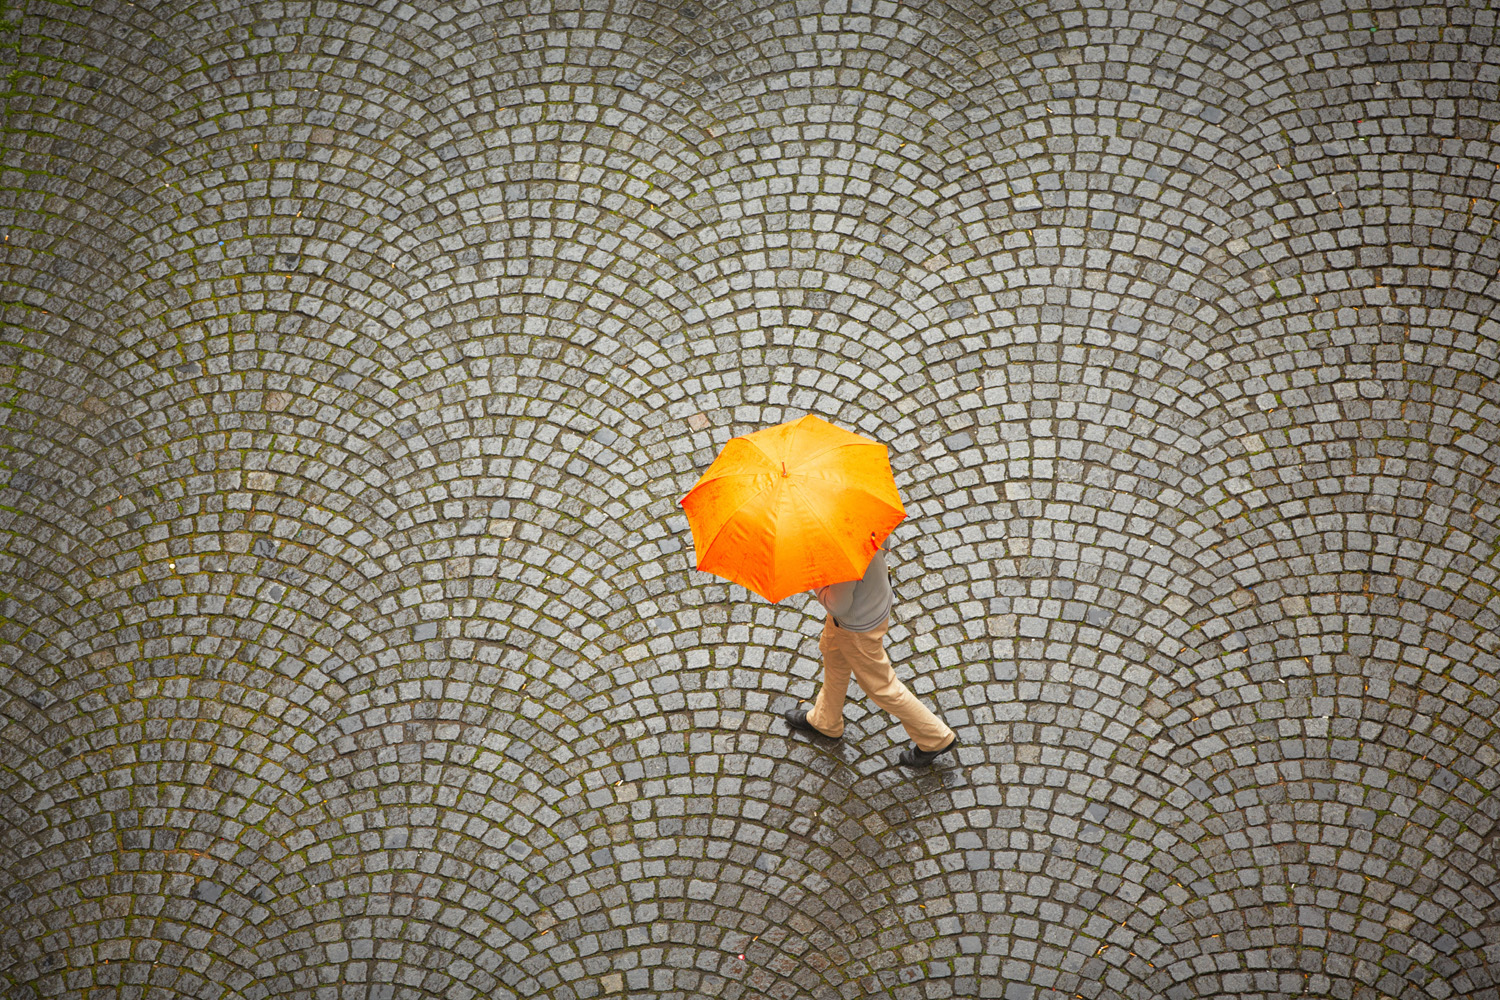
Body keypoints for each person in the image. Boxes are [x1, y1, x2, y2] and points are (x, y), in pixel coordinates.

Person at [784, 535, 959, 767]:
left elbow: (838, 605)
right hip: (873, 602)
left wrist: (816, 581)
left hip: (856, 624)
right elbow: (884, 545)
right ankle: (826, 719)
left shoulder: (841, 556)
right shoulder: (856, 519)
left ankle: (936, 738)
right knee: (832, 652)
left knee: (880, 686)